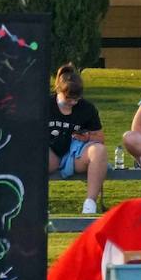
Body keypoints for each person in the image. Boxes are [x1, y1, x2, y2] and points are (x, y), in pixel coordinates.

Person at [47, 63, 108, 215]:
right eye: (69, 99)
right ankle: (33, 202)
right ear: (59, 91)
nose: (73, 103)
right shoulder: (45, 105)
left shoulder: (87, 108)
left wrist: (87, 136)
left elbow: (100, 137)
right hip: (50, 153)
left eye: (76, 99)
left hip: (75, 155)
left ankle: (90, 204)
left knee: (99, 151)